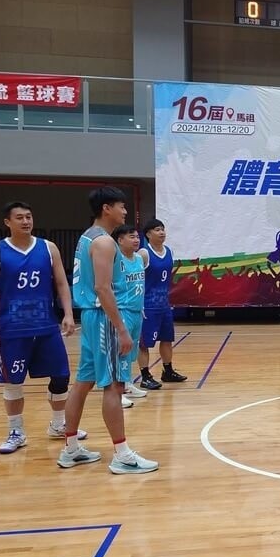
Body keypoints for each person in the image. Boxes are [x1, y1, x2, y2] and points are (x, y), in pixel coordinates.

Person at [60, 187, 158, 474]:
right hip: (104, 317)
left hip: (91, 317)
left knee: (83, 382)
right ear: (106, 208)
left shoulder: (87, 237)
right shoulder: (104, 242)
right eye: (121, 206)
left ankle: (71, 448)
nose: (125, 211)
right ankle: (122, 455)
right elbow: (103, 288)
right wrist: (122, 330)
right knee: (114, 385)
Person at [0, 201, 87, 454]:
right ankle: (16, 431)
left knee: (60, 376)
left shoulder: (48, 248)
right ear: (7, 222)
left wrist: (68, 313)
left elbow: (61, 283)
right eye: (19, 217)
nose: (26, 221)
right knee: (12, 382)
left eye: (28, 216)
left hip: (46, 326)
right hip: (12, 329)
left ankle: (58, 425)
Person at [134, 218, 186, 392]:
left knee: (167, 339)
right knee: (144, 343)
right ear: (148, 234)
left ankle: (168, 371)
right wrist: (138, 304)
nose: (162, 232)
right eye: (157, 229)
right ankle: (145, 376)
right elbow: (135, 280)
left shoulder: (169, 251)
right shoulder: (143, 254)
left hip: (164, 304)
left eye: (163, 229)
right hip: (147, 306)